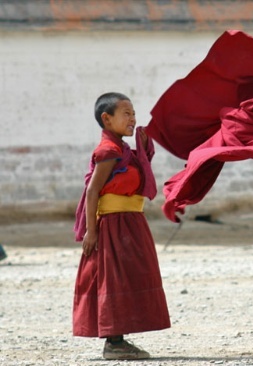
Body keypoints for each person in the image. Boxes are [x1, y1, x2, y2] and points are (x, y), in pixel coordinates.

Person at [72, 92, 171, 360]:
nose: (132, 119)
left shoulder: (124, 150)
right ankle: (114, 342)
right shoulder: (109, 152)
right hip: (113, 226)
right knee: (114, 279)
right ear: (107, 119)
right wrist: (92, 232)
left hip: (130, 222)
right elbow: (93, 192)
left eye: (133, 113)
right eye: (126, 113)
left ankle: (119, 339)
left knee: (128, 277)